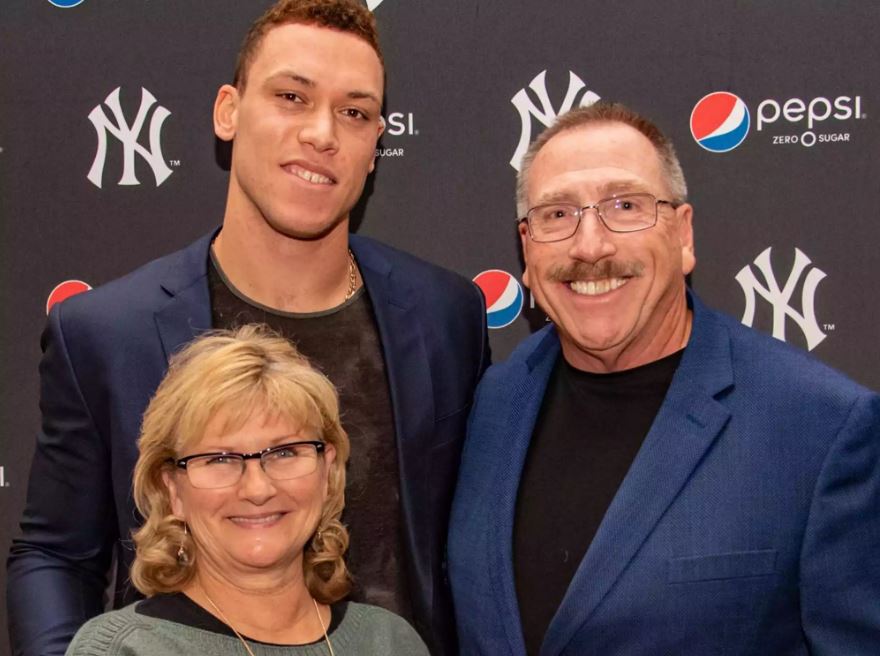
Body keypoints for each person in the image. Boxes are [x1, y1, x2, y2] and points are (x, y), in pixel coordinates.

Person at [8, 2, 488, 654]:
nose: (323, 133)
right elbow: (55, 554)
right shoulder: (105, 332)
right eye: (291, 96)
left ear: (377, 141)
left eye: (354, 112)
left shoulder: (444, 316)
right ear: (227, 112)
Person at [448, 102, 880, 655]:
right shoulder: (492, 403)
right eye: (557, 215)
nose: (590, 246)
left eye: (625, 206)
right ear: (526, 252)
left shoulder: (822, 429)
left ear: (683, 235)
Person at [65, 326, 429, 655]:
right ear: (172, 489)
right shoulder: (124, 650)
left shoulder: (390, 642)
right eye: (220, 459)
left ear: (328, 471)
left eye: (285, 452)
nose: (257, 488)